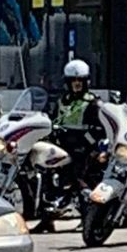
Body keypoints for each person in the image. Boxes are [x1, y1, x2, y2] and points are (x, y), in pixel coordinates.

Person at [51, 59, 105, 227]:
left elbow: (99, 130)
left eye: (80, 80)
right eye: (73, 81)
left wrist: (83, 142)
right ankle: (48, 211)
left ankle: (87, 215)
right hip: (61, 146)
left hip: (82, 148)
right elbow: (52, 120)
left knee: (77, 175)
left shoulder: (93, 103)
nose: (76, 84)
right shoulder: (62, 101)